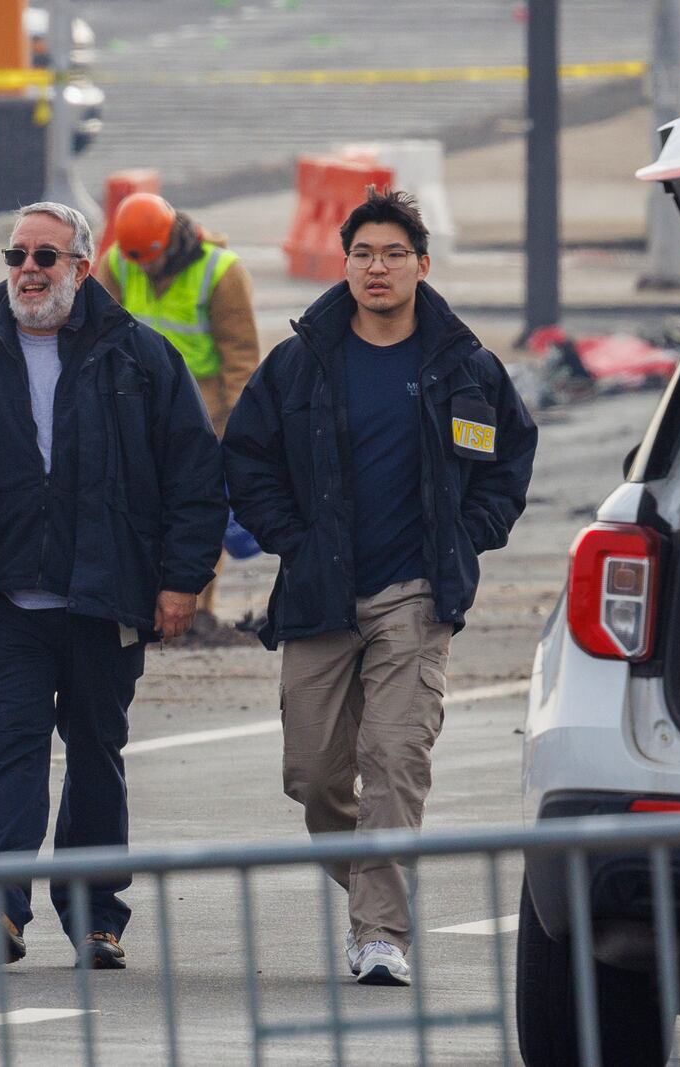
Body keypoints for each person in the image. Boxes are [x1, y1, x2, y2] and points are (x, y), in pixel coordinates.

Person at [222, 188, 537, 987]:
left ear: (422, 266)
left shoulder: (464, 364)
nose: (377, 267)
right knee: (316, 776)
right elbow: (247, 456)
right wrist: (291, 537)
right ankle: (376, 878)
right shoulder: (302, 360)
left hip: (417, 595)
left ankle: (380, 933)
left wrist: (470, 533)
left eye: (394, 253)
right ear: (347, 264)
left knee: (394, 756)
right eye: (363, 253)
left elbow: (508, 458)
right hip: (320, 594)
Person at [0, 201, 226, 970]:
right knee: (8, 745)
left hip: (102, 598)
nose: (30, 271)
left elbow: (193, 476)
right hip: (2, 600)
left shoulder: (137, 358)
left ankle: (95, 915)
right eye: (17, 256)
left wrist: (182, 582)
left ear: (82, 266)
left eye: (47, 256)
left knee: (94, 753)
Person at [94, 192, 261, 616]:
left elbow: (240, 359)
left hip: (204, 411)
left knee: (198, 511)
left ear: (171, 240)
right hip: (134, 407)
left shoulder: (221, 273)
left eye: (152, 257)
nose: (146, 268)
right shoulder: (118, 263)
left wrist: (242, 431)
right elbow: (94, 336)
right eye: (139, 261)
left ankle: (197, 606)